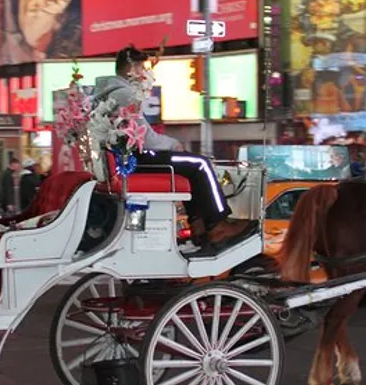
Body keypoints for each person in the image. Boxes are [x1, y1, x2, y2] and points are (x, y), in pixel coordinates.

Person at [92, 45, 253, 251]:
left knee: (191, 166)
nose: (145, 74)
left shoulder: (106, 93)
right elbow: (146, 138)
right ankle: (217, 222)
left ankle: (199, 224)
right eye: (142, 68)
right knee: (200, 164)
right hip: (134, 159)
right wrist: (172, 144)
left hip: (123, 159)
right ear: (131, 68)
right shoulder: (125, 94)